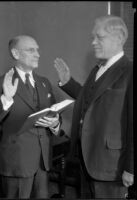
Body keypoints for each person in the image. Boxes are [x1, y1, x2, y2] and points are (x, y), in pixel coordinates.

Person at [54, 15, 133, 198]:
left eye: (99, 37)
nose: (93, 42)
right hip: (86, 160)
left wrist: (131, 168)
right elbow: (91, 100)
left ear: (119, 38)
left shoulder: (129, 71)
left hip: (112, 167)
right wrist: (67, 82)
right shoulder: (97, 69)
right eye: (93, 37)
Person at [0, 35, 61, 199]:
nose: (38, 54)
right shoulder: (0, 82)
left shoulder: (44, 82)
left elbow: (54, 112)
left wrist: (55, 123)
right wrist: (7, 99)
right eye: (31, 50)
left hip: (42, 162)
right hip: (17, 162)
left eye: (37, 50)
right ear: (16, 54)